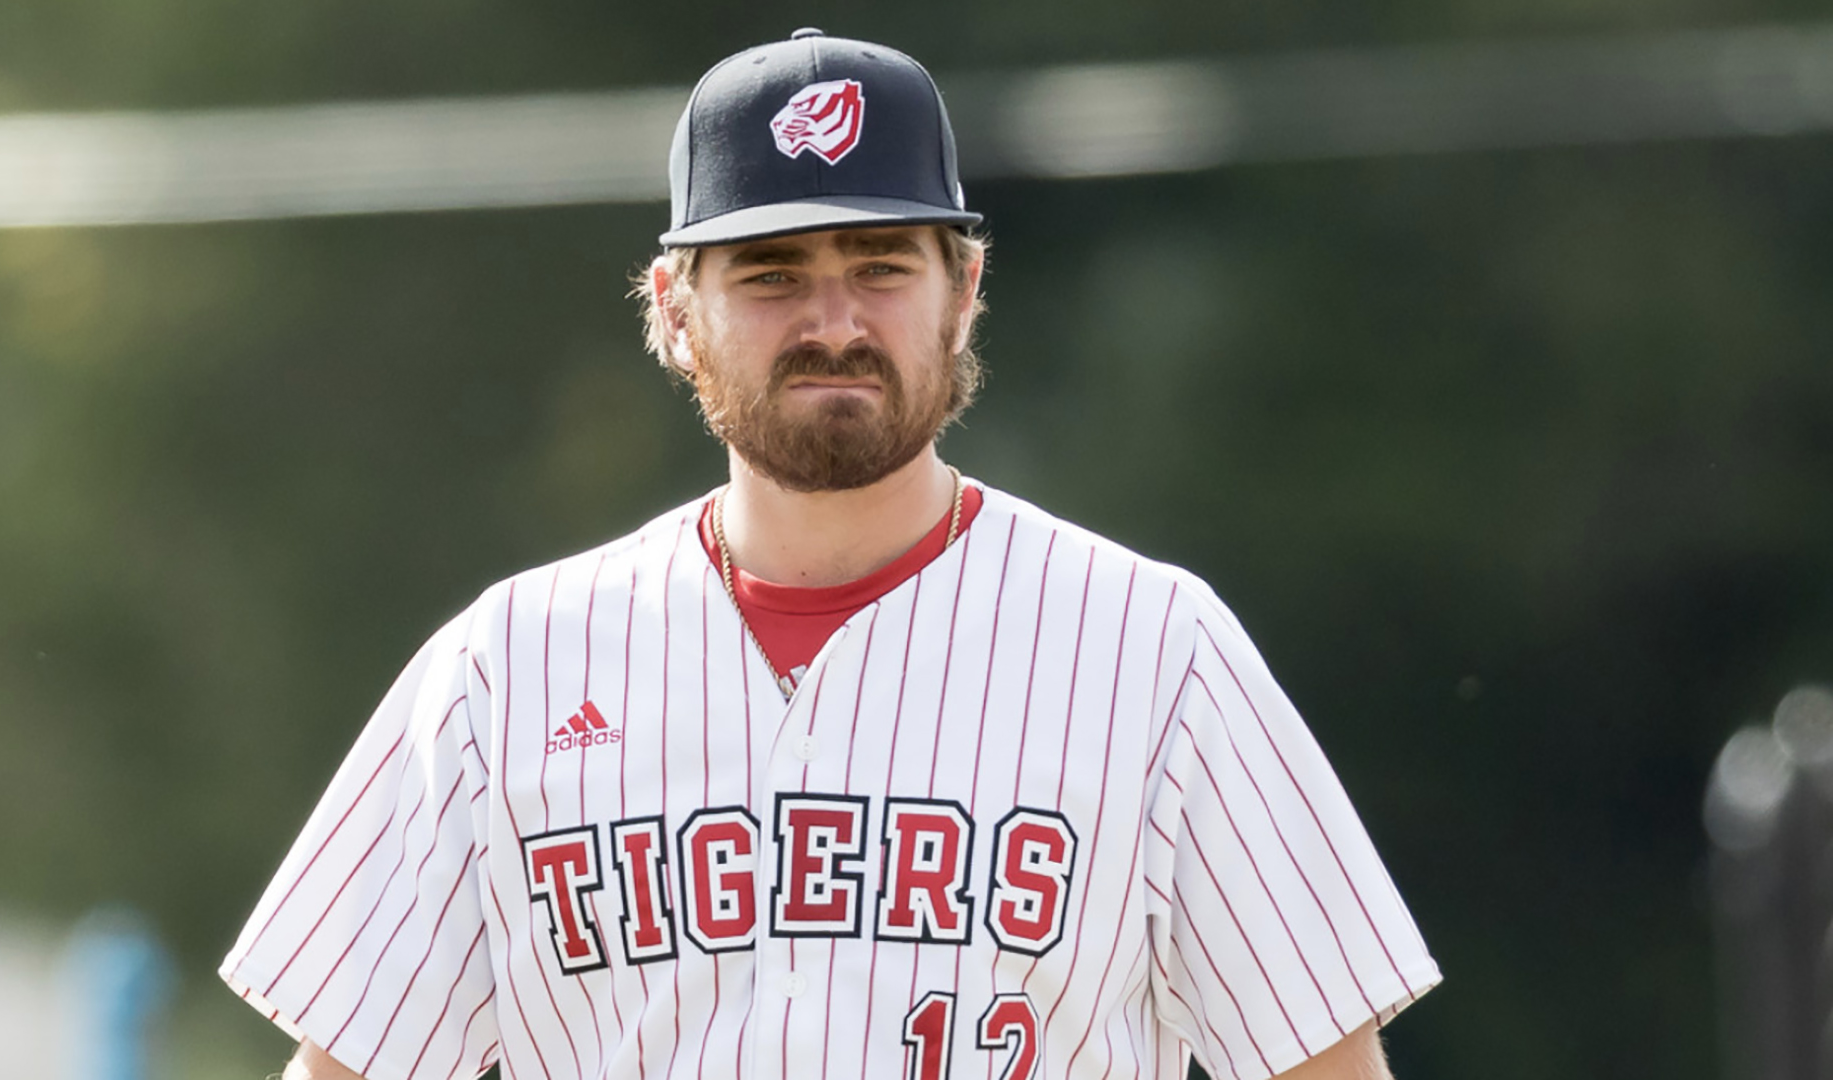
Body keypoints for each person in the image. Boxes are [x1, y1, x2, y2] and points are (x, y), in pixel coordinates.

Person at [221, 29, 1441, 1080]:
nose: (835, 323)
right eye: (773, 273)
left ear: (964, 288)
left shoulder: (1153, 647)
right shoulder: (505, 671)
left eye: (881, 266)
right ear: (675, 310)